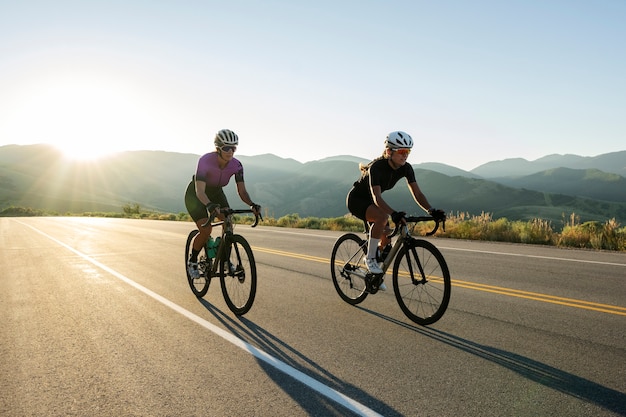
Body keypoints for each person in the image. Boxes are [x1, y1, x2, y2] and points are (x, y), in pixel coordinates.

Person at [346, 131, 445, 285]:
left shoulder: (406, 168)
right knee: (382, 217)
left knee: (386, 241)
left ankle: (374, 274)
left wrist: (432, 210)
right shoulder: (377, 168)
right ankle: (370, 258)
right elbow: (376, 197)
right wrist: (393, 213)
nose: (405, 156)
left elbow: (417, 193)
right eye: (402, 152)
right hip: (357, 200)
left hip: (374, 203)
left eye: (408, 152)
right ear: (389, 152)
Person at [184, 129, 261, 278]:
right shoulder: (205, 161)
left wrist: (252, 204)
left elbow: (242, 192)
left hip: (217, 193)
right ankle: (192, 261)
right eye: (226, 148)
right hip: (196, 195)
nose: (230, 151)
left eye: (233, 148)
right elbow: (200, 191)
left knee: (228, 222)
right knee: (206, 231)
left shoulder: (237, 165)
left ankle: (225, 260)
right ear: (218, 148)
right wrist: (209, 205)